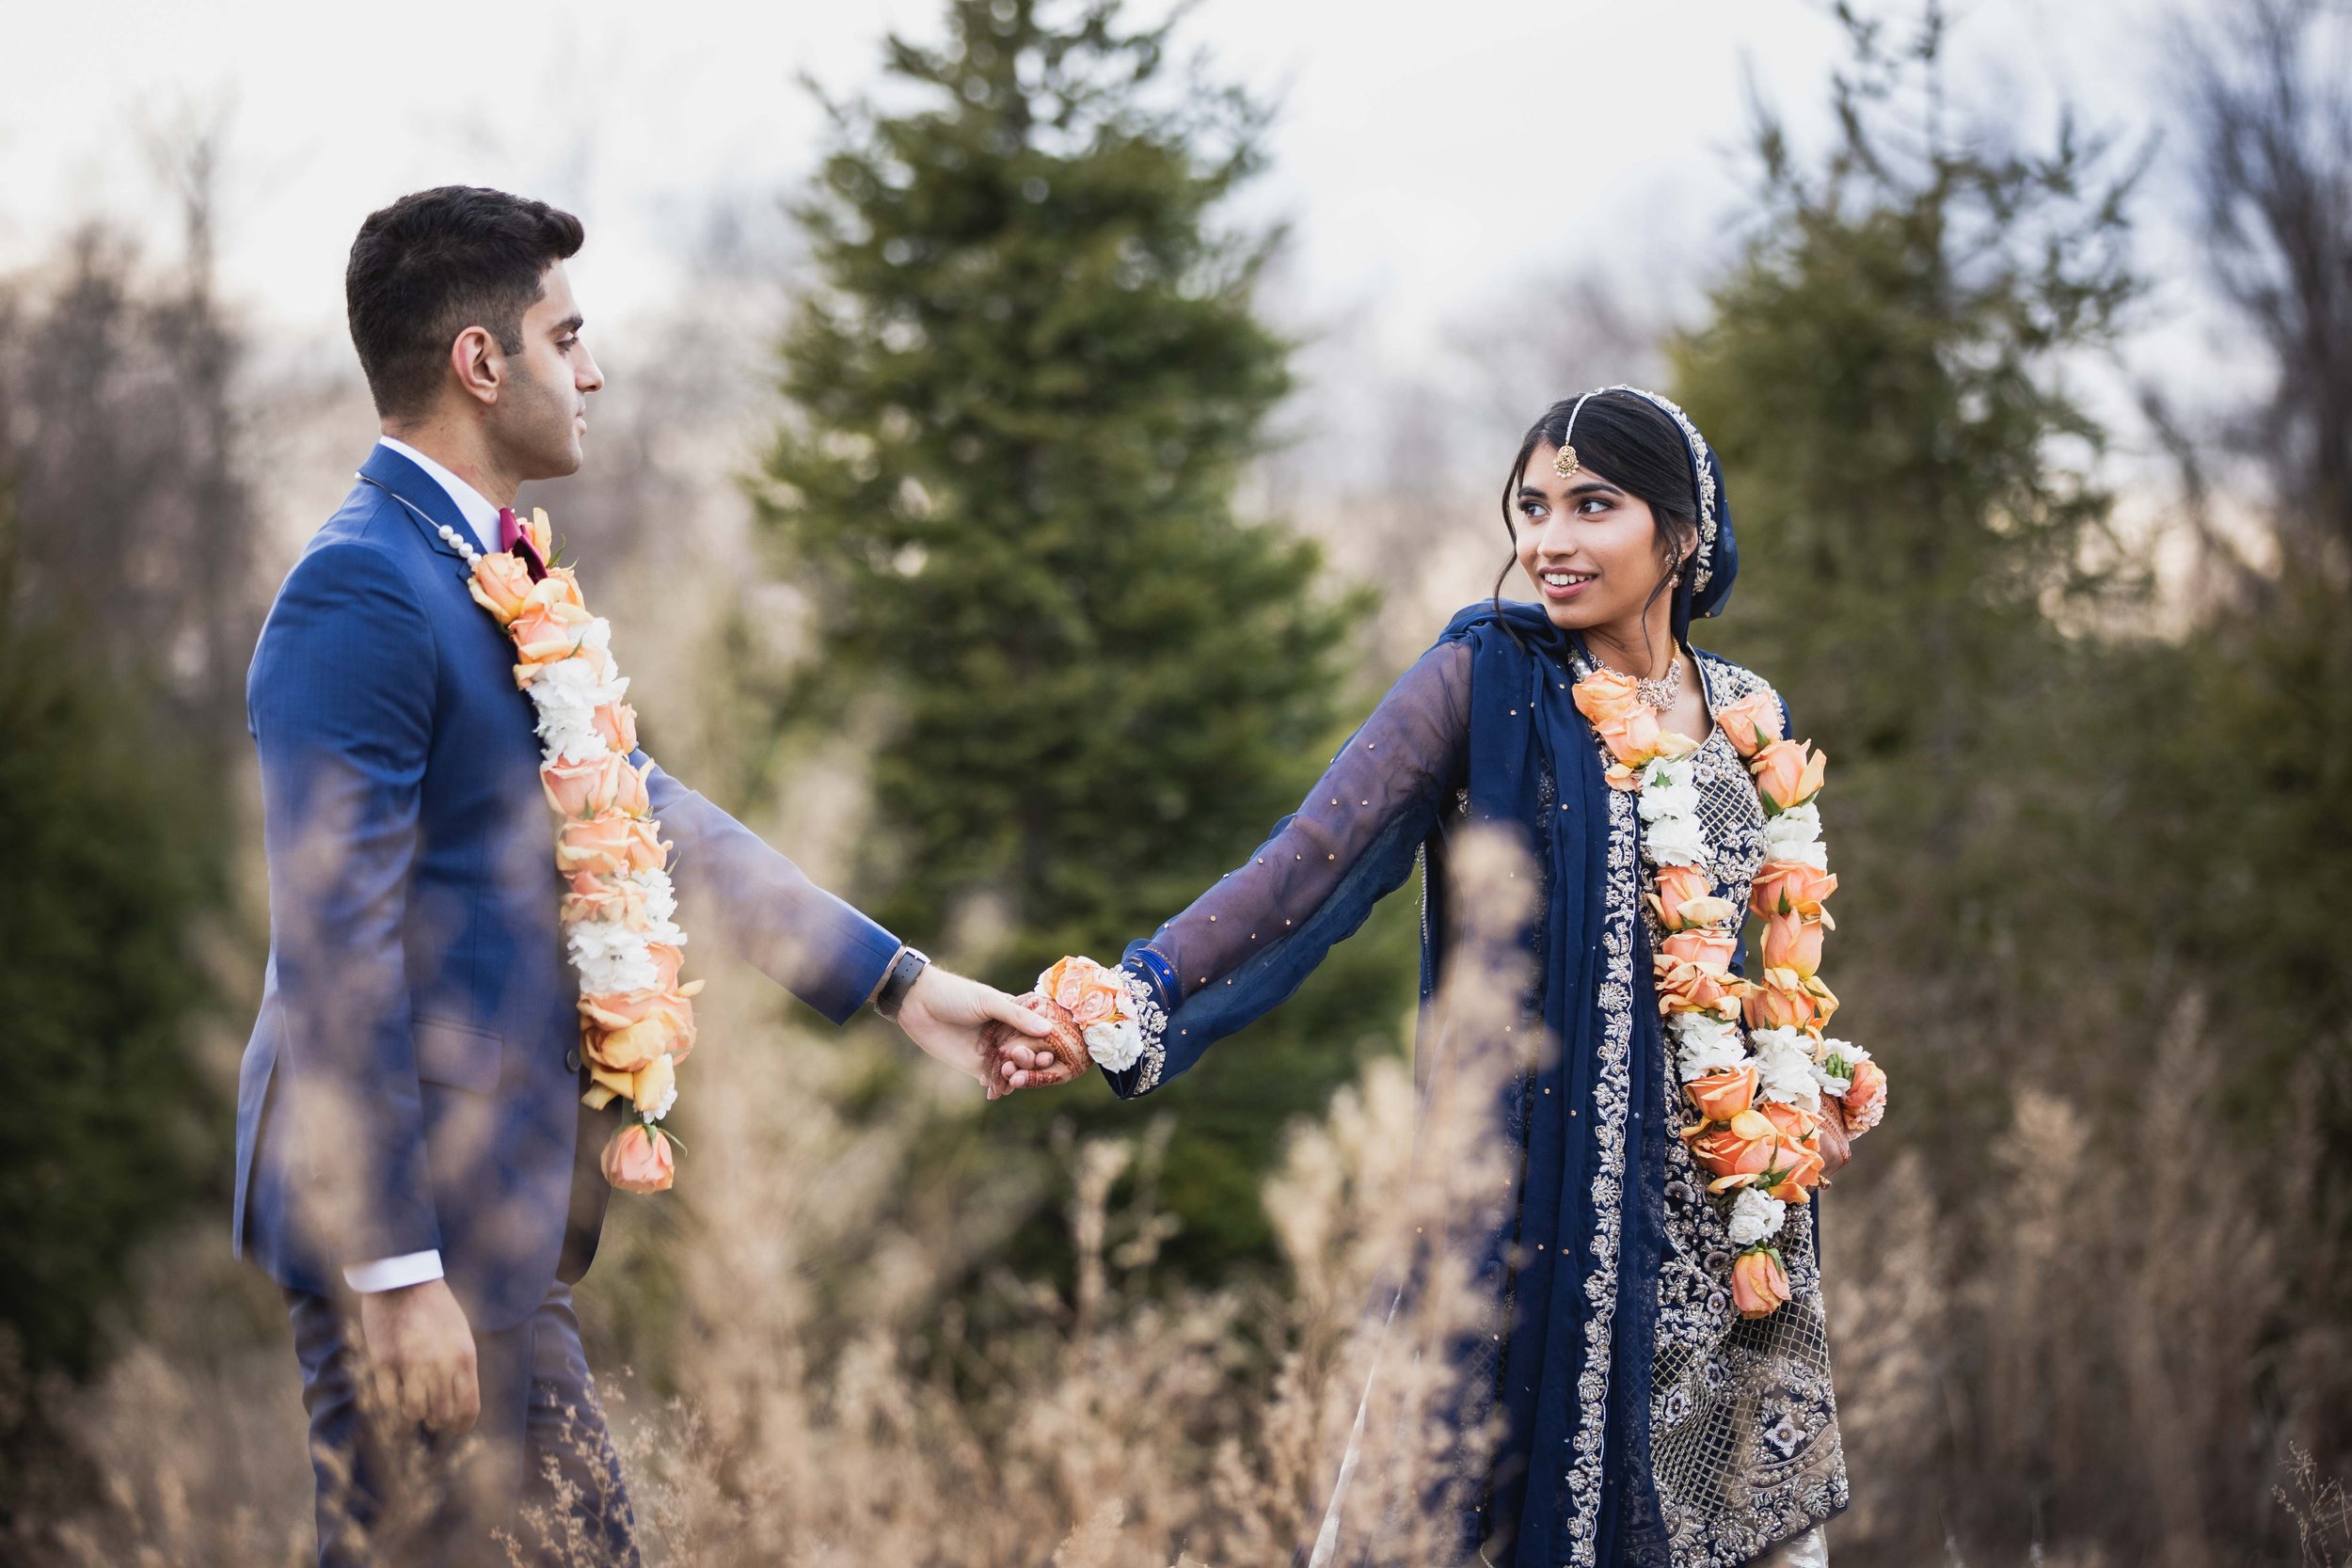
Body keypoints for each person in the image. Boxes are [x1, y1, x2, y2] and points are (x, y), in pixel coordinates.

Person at [233, 184, 1051, 1567]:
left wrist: (901, 986)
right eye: (568, 335)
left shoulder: (487, 572)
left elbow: (644, 807)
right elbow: (336, 946)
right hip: (416, 1224)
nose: (594, 367)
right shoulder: (362, 588)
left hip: (501, 1227)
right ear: (480, 363)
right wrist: (393, 1268)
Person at [988, 388, 1881, 1567]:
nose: (1548, 541)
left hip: (1728, 1235)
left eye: (1591, 506)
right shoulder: (1487, 681)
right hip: (1547, 1216)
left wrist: (1809, 1075)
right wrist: (1128, 998)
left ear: (1682, 532)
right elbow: (1304, 867)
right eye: (1531, 507)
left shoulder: (1748, 716)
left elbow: (1735, 967)